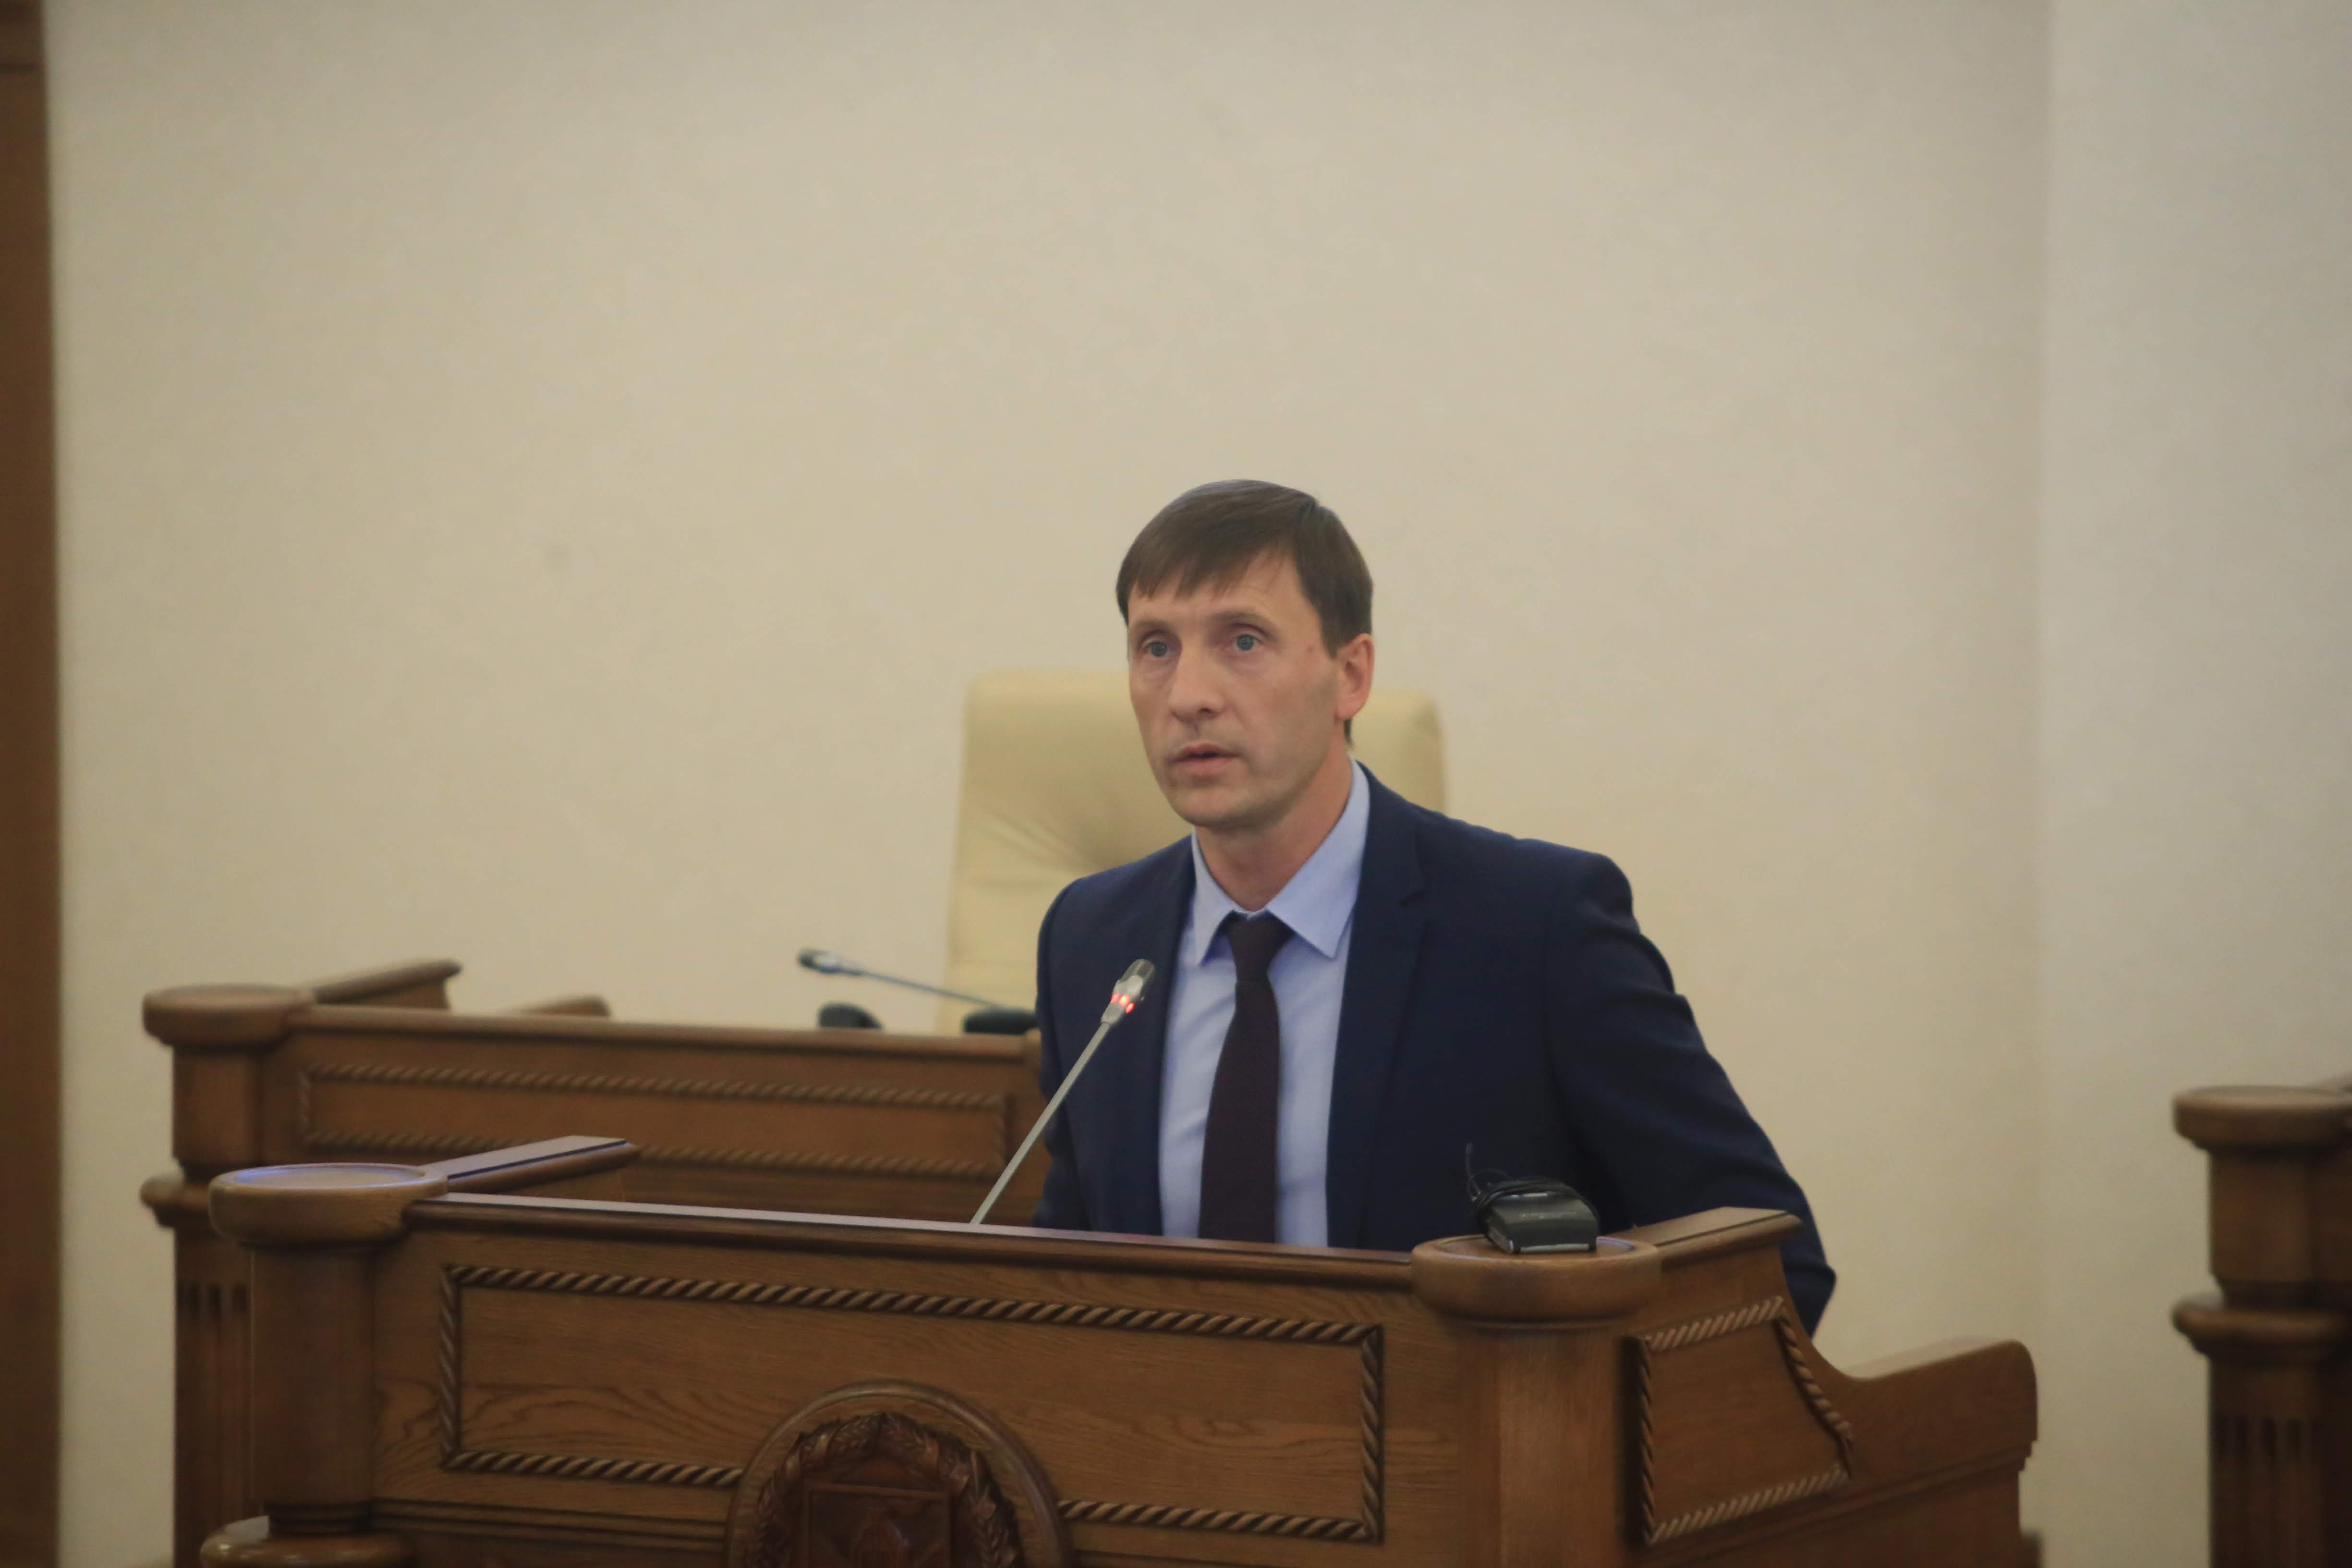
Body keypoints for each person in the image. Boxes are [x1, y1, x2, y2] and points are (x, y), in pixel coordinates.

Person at [1029, 480, 1833, 1331]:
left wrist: (1557, 1404)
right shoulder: (1091, 936)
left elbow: (1765, 1260)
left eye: (1243, 640)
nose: (1188, 692)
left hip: (1461, 1418)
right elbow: (1067, 1267)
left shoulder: (1533, 926)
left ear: (1350, 676)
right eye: (1155, 646)